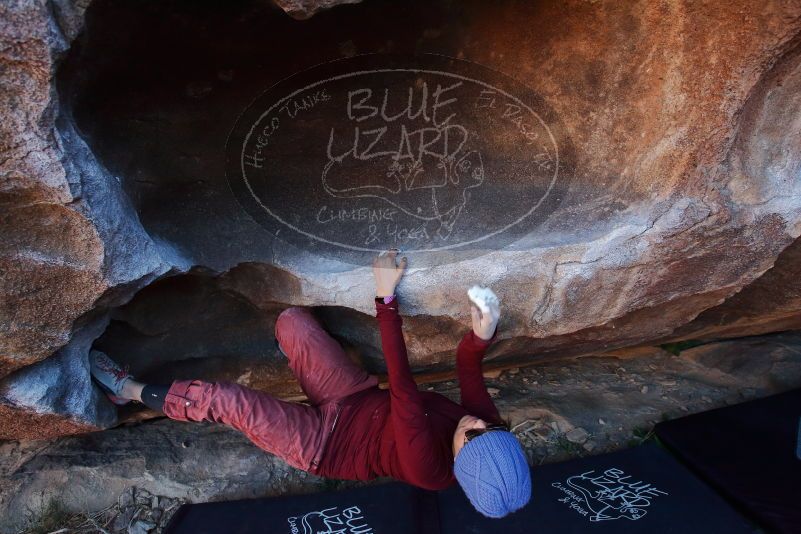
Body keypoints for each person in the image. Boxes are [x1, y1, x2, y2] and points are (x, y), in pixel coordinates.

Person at [90, 248, 531, 518]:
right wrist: (482, 334)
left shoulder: (428, 470)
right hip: (353, 398)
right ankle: (293, 378)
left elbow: (402, 384)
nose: (476, 421)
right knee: (293, 323)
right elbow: (467, 369)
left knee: (227, 400)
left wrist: (386, 297)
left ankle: (128, 390)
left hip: (322, 445)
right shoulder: (484, 428)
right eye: (493, 429)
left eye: (472, 436)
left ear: (460, 465)